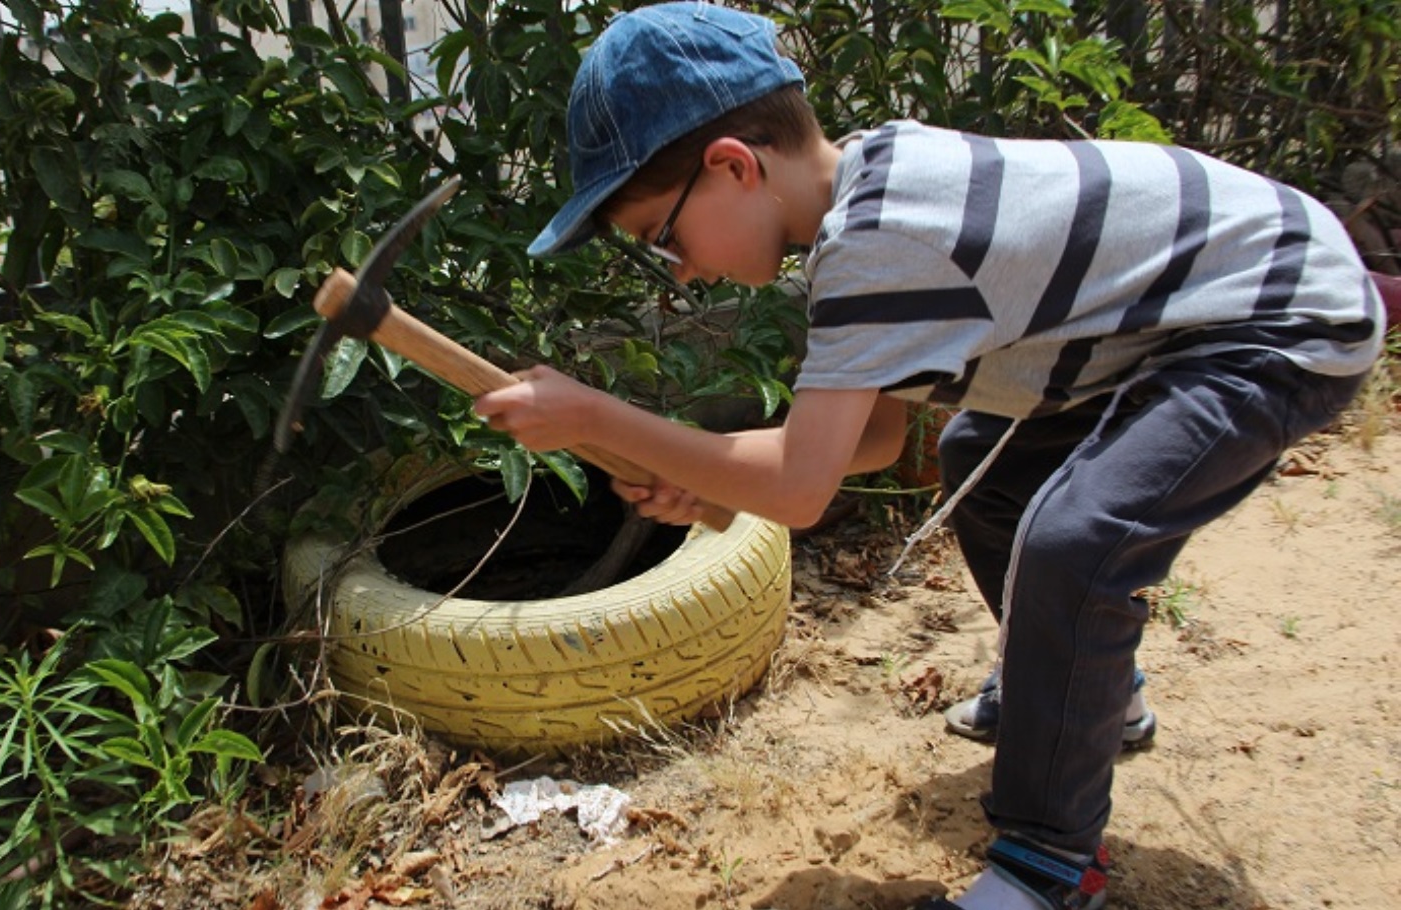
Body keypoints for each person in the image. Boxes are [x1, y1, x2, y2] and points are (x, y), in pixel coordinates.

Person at [473, 4, 1386, 908]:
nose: (677, 270)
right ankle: (1089, 697)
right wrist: (693, 469)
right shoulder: (870, 202)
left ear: (734, 166)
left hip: (1277, 316)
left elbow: (797, 489)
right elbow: (867, 440)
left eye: (661, 237)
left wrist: (596, 412)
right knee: (978, 450)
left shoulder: (880, 242)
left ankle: (1046, 870)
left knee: (1076, 542)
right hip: (1176, 324)